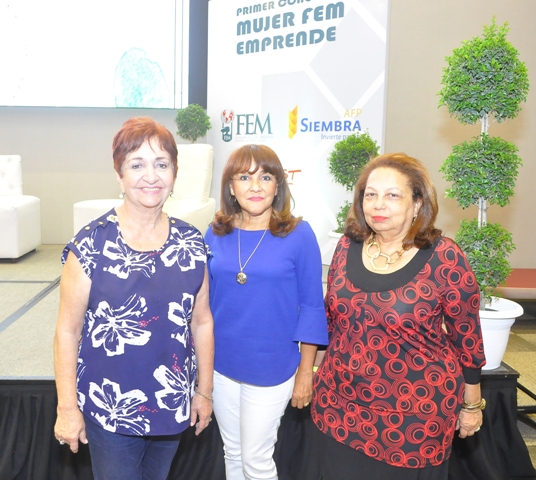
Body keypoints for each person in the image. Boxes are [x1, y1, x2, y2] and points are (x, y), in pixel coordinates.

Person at [306, 153, 486, 480]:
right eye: (370, 194)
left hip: (414, 420)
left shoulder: (444, 256)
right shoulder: (347, 247)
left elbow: (467, 336)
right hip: (338, 407)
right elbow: (332, 320)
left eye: (393, 195)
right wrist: (312, 372)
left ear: (418, 204)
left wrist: (471, 404)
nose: (378, 204)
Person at [53, 117, 214, 480]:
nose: (151, 176)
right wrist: (67, 407)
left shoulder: (192, 242)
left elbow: (201, 321)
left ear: (175, 172)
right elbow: (67, 331)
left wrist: (204, 392)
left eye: (161, 164)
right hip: (110, 408)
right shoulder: (91, 244)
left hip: (171, 405)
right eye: (136, 165)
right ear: (119, 175)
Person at [204, 144, 328, 480]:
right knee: (233, 452)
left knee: (256, 460)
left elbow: (313, 308)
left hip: (273, 366)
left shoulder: (298, 235)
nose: (255, 186)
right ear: (231, 186)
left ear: (278, 186)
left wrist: (306, 372)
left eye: (265, 177)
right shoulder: (215, 234)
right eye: (244, 177)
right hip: (221, 365)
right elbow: (203, 307)